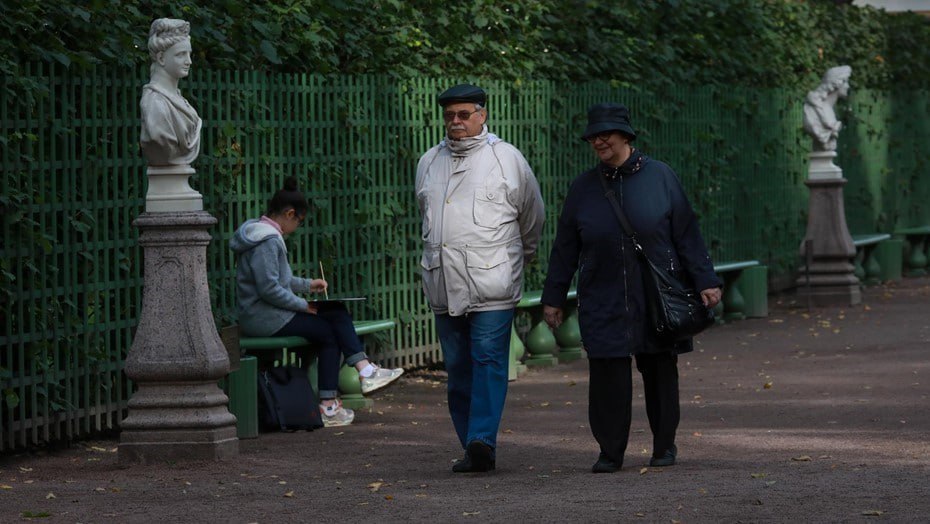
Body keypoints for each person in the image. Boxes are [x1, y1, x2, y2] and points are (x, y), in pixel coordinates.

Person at [541, 103, 722, 473]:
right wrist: (553, 297)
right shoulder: (583, 188)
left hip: (654, 295)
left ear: (626, 135)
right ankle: (610, 451)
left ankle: (664, 446)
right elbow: (565, 247)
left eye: (605, 133)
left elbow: (686, 233)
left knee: (659, 370)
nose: (598, 140)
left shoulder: (661, 177)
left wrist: (705, 280)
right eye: (593, 135)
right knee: (607, 376)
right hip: (602, 295)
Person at [416, 84, 545, 472]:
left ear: (482, 115)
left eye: (464, 114)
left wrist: (520, 258)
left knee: (488, 360)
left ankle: (481, 440)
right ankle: (473, 447)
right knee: (457, 368)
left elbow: (532, 216)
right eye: (450, 115)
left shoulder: (507, 159)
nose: (456, 121)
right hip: (443, 282)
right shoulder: (428, 161)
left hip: (493, 283)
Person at [230, 176, 404, 427]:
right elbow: (269, 288)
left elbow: (282, 279)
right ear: (290, 214)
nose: (297, 227)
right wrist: (303, 305)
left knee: (336, 312)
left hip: (268, 313)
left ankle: (358, 378)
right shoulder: (267, 240)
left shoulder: (260, 233)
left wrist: (308, 285)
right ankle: (340, 395)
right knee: (327, 331)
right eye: (299, 222)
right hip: (264, 317)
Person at [140, 18, 202, 166]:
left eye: (189, 54)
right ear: (161, 58)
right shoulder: (155, 102)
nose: (189, 61)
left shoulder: (178, 100)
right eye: (180, 54)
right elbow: (159, 137)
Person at [802, 65, 852, 152]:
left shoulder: (830, 111)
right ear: (837, 83)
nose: (848, 86)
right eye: (845, 82)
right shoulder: (813, 109)